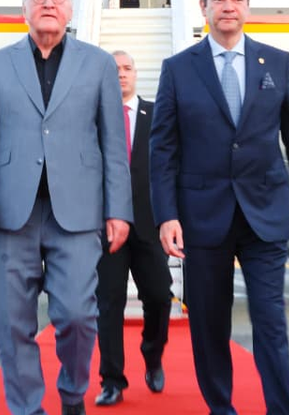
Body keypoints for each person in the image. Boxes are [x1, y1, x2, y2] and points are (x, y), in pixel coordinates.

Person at [150, 0, 289, 415]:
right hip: (202, 218)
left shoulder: (276, 62)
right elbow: (162, 149)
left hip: (264, 213)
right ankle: (221, 408)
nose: (228, 6)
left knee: (270, 321)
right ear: (204, 8)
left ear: (247, 7)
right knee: (209, 326)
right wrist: (166, 214)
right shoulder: (178, 69)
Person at [0, 0, 132, 415]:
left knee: (78, 316)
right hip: (11, 216)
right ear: (24, 9)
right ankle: (28, 408)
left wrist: (120, 210)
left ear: (71, 9)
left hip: (76, 215)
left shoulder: (96, 65)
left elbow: (114, 144)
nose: (49, 3)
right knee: (12, 324)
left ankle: (72, 394)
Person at [94, 51, 172, 407]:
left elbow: (172, 167)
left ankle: (152, 353)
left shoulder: (156, 114)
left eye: (127, 68)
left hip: (148, 224)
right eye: (114, 69)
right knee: (108, 304)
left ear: (136, 74)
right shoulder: (92, 117)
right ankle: (112, 380)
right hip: (106, 226)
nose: (121, 74)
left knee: (158, 296)